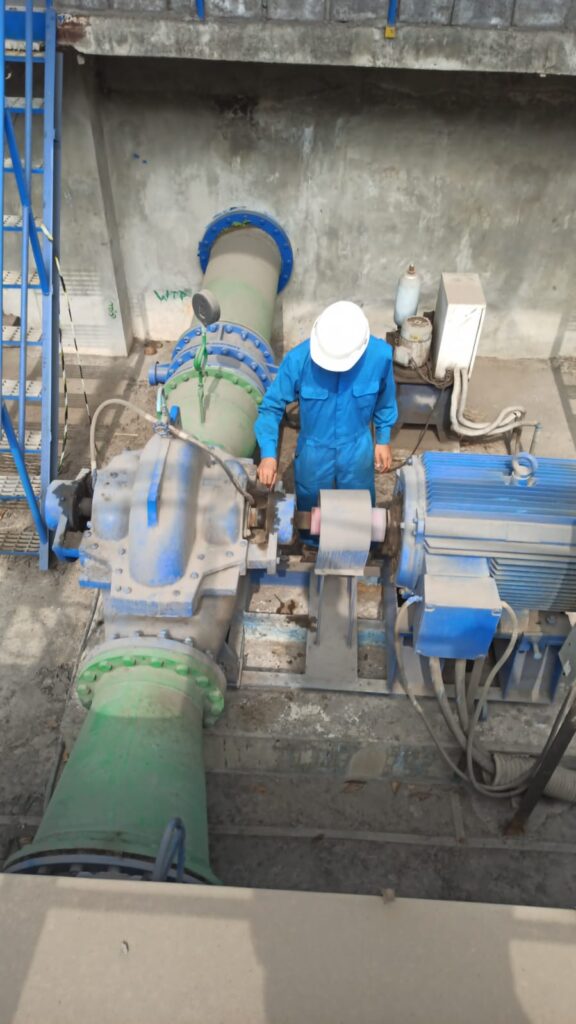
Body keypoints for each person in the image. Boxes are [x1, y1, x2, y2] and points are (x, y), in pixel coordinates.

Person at [254, 301, 398, 516]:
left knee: (359, 513)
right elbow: (271, 407)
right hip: (314, 452)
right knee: (311, 513)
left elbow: (385, 400)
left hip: (356, 450)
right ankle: (310, 538)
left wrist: (383, 439)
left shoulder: (379, 357)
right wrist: (267, 454)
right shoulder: (298, 360)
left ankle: (358, 536)